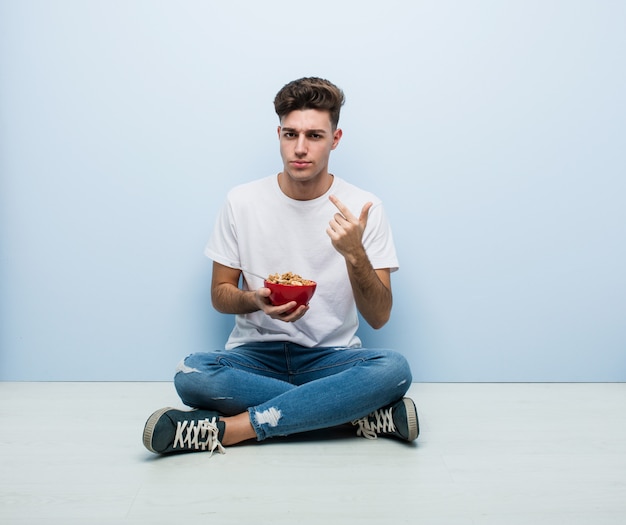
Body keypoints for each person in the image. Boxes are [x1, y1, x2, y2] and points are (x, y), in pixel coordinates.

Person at [143, 77, 418, 456]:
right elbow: (220, 295)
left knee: (394, 369)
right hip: (255, 357)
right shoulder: (242, 201)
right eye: (290, 134)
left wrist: (354, 254)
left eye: (315, 136)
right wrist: (256, 299)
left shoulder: (364, 207)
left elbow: (380, 316)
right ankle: (351, 415)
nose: (300, 148)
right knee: (192, 373)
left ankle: (229, 430)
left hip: (331, 359)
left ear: (335, 139)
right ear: (278, 134)